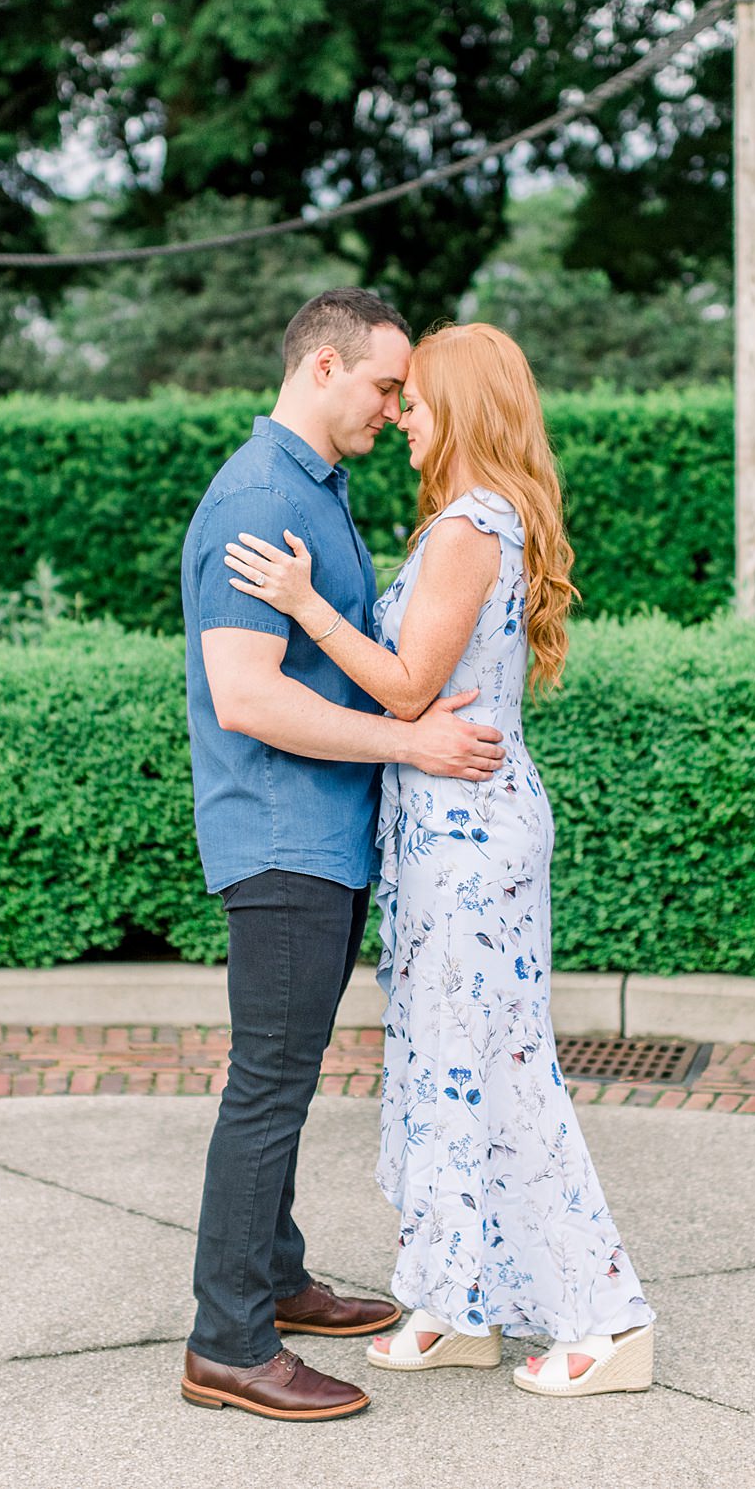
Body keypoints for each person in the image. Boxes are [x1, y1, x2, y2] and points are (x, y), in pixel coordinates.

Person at [221, 322, 655, 1399]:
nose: (401, 416)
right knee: (441, 1067)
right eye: (395, 396)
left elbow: (410, 689)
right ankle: (459, 1299)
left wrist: (306, 603)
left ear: (459, 410)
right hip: (435, 835)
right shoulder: (458, 525)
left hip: (470, 838)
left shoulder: (472, 524)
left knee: (502, 1071)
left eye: (416, 401)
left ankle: (609, 1319)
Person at [178, 289, 509, 1423]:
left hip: (319, 837)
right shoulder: (262, 498)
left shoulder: (316, 490)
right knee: (268, 1085)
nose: (394, 405)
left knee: (278, 1075)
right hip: (282, 839)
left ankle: (275, 1278)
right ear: (322, 369)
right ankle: (228, 1340)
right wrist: (411, 739)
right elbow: (246, 694)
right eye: (381, 385)